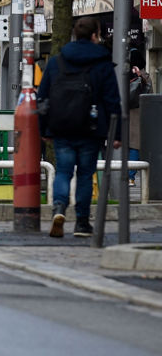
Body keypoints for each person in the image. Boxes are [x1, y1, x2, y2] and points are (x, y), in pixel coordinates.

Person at [38, 17, 122, 239]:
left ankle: (58, 208)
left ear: (75, 34)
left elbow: (43, 96)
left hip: (61, 127)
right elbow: (113, 100)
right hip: (91, 128)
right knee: (85, 174)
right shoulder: (102, 63)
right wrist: (117, 133)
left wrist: (43, 129)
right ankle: (82, 223)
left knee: (64, 171)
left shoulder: (57, 62)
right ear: (95, 35)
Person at [128, 49, 153, 184]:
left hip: (123, 114)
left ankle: (121, 175)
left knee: (124, 146)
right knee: (134, 146)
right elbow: (150, 97)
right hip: (138, 115)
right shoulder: (144, 77)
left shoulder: (122, 74)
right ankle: (130, 176)